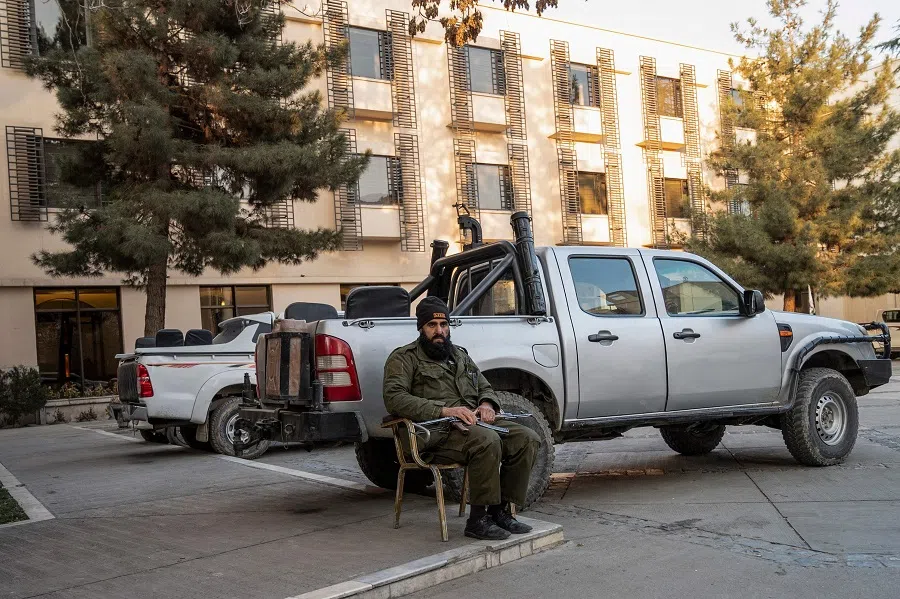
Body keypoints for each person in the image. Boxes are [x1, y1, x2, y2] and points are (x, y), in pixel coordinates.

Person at [383, 296, 541, 540]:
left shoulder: (459, 356)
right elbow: (394, 398)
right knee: (487, 440)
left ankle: (501, 512)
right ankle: (477, 520)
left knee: (527, 438)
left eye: (444, 325)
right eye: (432, 326)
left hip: (471, 424)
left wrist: (487, 404)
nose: (439, 332)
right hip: (433, 433)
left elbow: (484, 386)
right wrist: (445, 410)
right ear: (421, 328)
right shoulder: (404, 358)